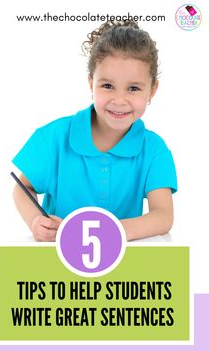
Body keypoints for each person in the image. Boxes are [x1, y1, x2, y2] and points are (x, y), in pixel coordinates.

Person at [12, 20, 177, 242]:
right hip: (56, 259)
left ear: (152, 90)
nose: (119, 100)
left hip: (124, 266)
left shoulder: (154, 150)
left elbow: (163, 216)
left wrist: (104, 231)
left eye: (134, 88)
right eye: (107, 86)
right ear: (91, 83)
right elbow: (23, 188)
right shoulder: (54, 138)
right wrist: (35, 220)